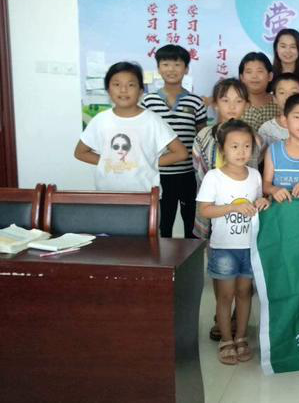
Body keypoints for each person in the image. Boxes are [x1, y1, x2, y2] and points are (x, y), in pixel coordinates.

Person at [196, 119, 269, 365]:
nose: (241, 152)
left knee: (245, 293)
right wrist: (230, 208)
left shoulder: (255, 175)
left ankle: (241, 337)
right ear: (222, 149)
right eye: (234, 146)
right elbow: (205, 210)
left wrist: (262, 202)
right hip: (224, 248)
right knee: (225, 296)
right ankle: (226, 339)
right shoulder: (214, 177)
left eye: (247, 146)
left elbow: (257, 203)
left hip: (249, 247)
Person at [193, 78, 257, 341]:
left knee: (243, 283)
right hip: (213, 215)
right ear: (215, 103)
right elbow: (199, 174)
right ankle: (221, 319)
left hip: (244, 223)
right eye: (225, 100)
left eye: (238, 100)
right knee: (222, 275)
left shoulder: (254, 137)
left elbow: (255, 177)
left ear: (246, 105)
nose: (232, 106)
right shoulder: (203, 136)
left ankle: (235, 322)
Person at [75, 62, 187, 191]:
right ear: (108, 90)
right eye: (117, 84)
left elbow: (181, 153)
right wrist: (110, 161)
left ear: (140, 91)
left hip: (144, 195)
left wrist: (147, 163)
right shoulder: (100, 120)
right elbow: (80, 152)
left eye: (131, 85)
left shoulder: (152, 121)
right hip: (106, 193)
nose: (123, 90)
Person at [141, 44, 207, 238]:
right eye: (166, 64)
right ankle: (162, 258)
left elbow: (202, 138)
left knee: (191, 223)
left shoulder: (195, 102)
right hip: (158, 175)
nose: (171, 69)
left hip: (188, 175)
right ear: (158, 68)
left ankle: (192, 257)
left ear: (186, 69)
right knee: (163, 224)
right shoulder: (148, 102)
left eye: (177, 64)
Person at [257, 73, 299, 149]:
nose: (288, 97)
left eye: (294, 92)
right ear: (274, 98)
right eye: (282, 92)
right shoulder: (266, 129)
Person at [239, 52, 278, 131]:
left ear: (270, 76)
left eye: (260, 71)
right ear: (242, 77)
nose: (254, 76)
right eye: (249, 72)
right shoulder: (235, 105)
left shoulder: (279, 103)